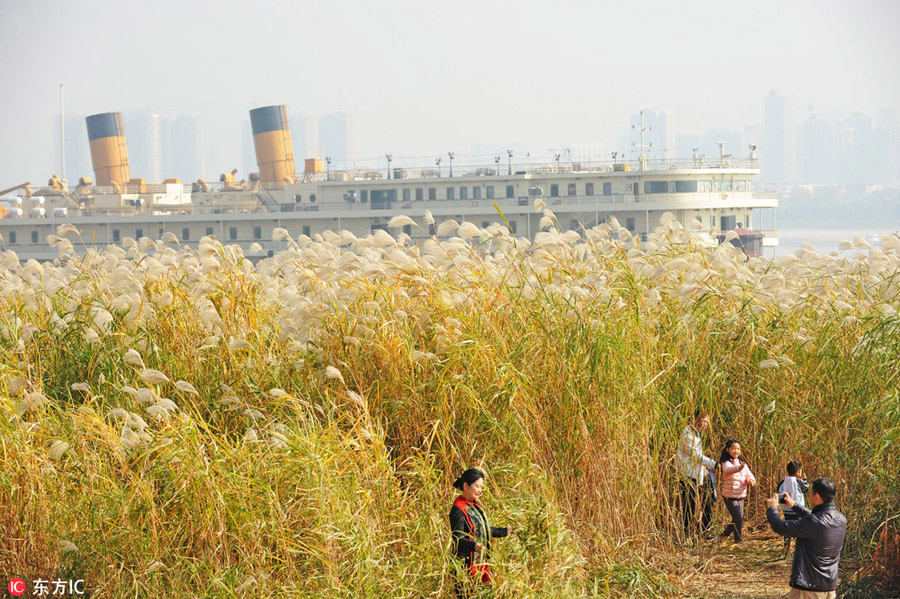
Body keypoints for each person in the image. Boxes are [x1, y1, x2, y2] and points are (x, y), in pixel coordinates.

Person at [766, 478, 847, 599]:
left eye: (810, 494)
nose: (809, 497)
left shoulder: (815, 523)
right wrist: (794, 505)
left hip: (809, 589)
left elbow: (780, 527)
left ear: (817, 497)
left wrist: (772, 508)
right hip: (829, 587)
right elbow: (815, 518)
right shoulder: (841, 519)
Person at [449, 469, 514, 597]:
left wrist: (506, 531)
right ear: (466, 485)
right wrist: (474, 546)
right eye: (477, 486)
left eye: (481, 487)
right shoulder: (458, 510)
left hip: (480, 564)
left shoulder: (474, 506)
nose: (480, 490)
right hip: (465, 567)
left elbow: (484, 530)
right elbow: (458, 539)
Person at [675, 409, 717, 539]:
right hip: (688, 476)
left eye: (707, 422)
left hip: (698, 475)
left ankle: (704, 532)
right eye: (705, 421)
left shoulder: (696, 435)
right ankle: (687, 535)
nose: (706, 425)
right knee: (689, 507)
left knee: (707, 503)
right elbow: (696, 457)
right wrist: (714, 464)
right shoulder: (688, 436)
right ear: (696, 420)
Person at [718, 439, 757, 543]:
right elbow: (728, 470)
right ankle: (738, 541)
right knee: (738, 518)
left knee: (737, 519)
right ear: (727, 450)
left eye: (738, 449)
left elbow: (749, 474)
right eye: (734, 448)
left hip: (740, 495)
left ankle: (724, 535)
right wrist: (739, 467)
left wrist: (751, 481)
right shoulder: (726, 463)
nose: (736, 451)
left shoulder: (742, 464)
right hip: (729, 496)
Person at [777, 461, 810, 552]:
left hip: (786, 509)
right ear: (798, 472)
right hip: (797, 508)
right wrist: (805, 480)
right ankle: (800, 546)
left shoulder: (783, 481)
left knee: (787, 527)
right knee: (800, 527)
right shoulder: (799, 481)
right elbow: (806, 489)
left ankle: (786, 547)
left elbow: (778, 489)